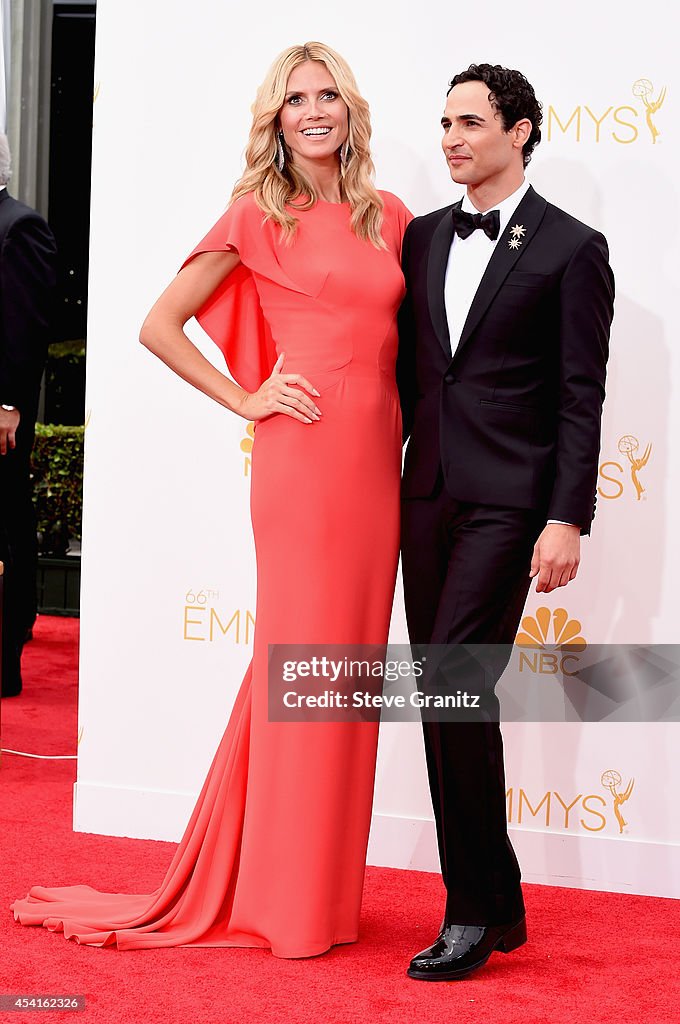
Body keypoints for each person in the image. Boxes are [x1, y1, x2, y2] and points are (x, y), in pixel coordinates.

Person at [11, 42, 411, 957]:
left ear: (349, 109)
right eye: (293, 100)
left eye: (327, 96)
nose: (313, 111)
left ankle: (314, 890)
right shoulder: (255, 213)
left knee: (343, 677)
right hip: (303, 464)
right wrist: (245, 396)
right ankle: (281, 902)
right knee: (301, 662)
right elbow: (158, 323)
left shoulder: (389, 215)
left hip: (374, 472)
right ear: (274, 120)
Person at [397, 64, 614, 980]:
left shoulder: (571, 247)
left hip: (508, 504)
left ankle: (471, 912)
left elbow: (578, 397)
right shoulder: (418, 238)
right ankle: (496, 899)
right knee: (446, 699)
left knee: (453, 687)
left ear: (521, 131)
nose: (452, 137)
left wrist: (566, 516)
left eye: (471, 121)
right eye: (444, 121)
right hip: (425, 496)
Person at [0, 133, 57, 698]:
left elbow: (26, 325)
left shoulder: (20, 225)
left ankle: (6, 655)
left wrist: (10, 404)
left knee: (7, 526)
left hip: (1, 413)